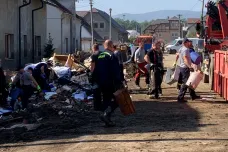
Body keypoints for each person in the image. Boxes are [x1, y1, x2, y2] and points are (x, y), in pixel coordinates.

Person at [92, 40, 122, 127]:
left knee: (106, 100)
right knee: (117, 100)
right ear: (111, 46)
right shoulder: (112, 55)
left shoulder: (99, 55)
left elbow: (94, 69)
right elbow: (116, 70)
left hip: (100, 82)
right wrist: (119, 81)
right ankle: (106, 114)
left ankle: (107, 120)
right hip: (110, 82)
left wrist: (94, 80)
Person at [176, 38, 200, 103]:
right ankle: (180, 98)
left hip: (182, 67)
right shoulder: (186, 50)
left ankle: (193, 95)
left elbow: (178, 56)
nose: (190, 43)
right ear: (186, 43)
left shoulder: (181, 48)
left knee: (190, 82)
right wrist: (190, 67)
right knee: (186, 83)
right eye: (189, 42)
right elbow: (185, 59)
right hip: (185, 67)